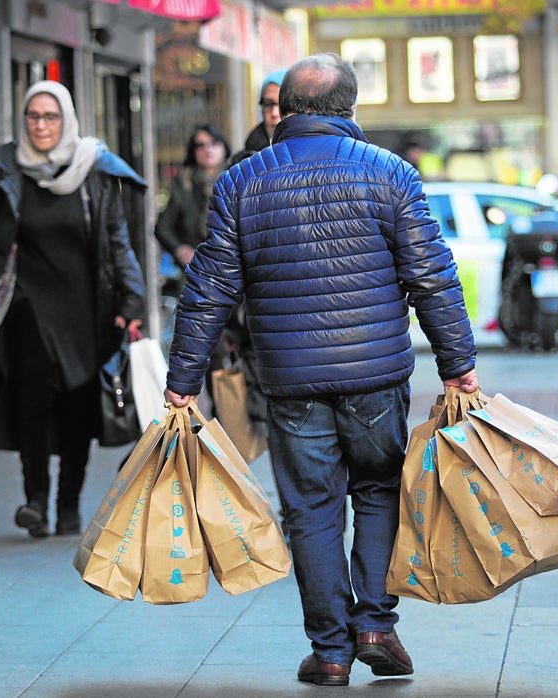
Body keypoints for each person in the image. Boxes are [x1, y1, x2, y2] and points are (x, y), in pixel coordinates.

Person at [163, 53, 480, 686]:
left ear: (286, 109)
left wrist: (182, 381)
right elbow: (431, 276)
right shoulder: (390, 174)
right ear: (349, 109)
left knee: (310, 509)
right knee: (378, 491)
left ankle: (331, 651)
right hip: (376, 375)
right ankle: (375, 624)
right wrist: (458, 366)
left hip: (290, 380)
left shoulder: (242, 181)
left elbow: (209, 288)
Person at [0, 80, 146, 539]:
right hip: (25, 306)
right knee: (30, 403)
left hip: (85, 310)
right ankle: (35, 500)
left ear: (67, 119)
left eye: (50, 116)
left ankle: (68, 504)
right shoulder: (9, 171)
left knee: (77, 409)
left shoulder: (94, 170)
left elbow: (118, 242)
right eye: (33, 116)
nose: (41, 125)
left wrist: (132, 300)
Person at [154, 123, 230, 271]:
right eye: (201, 145)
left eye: (213, 143)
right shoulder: (183, 183)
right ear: (193, 151)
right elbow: (162, 227)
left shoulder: (235, 178)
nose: (208, 149)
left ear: (224, 147)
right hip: (196, 270)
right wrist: (180, 250)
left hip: (231, 268)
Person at [229, 68, 286, 164]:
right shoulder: (243, 162)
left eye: (283, 104)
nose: (274, 113)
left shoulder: (315, 158)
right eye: (268, 104)